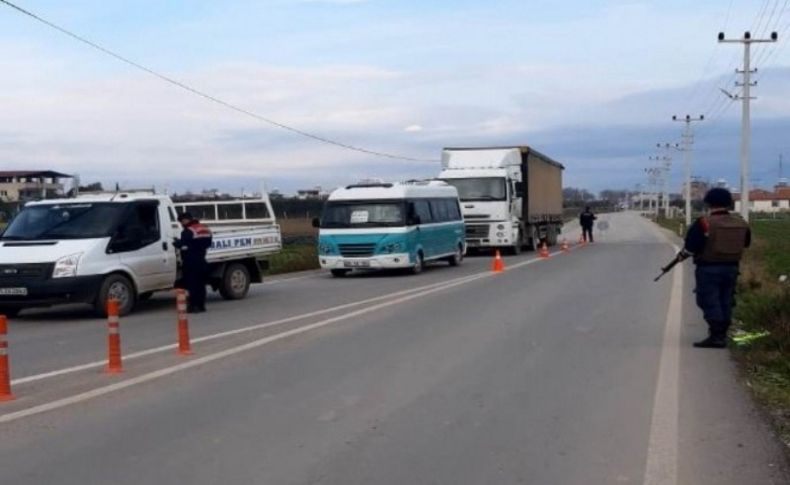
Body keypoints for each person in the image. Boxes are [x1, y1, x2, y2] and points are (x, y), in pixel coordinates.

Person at [681, 188, 751, 348]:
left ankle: (717, 336)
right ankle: (722, 333)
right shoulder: (741, 223)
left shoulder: (704, 223)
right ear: (729, 203)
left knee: (708, 300)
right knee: (726, 300)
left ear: (709, 203)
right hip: (732, 268)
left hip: (708, 268)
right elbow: (746, 243)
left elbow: (691, 247)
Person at [174, 212, 213, 313]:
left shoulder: (188, 231)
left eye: (181, 221)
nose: (182, 224)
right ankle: (201, 305)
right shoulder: (204, 228)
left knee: (193, 285)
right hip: (202, 259)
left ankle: (194, 306)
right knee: (201, 284)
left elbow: (183, 244)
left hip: (191, 261)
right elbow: (208, 243)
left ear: (185, 220)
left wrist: (176, 243)